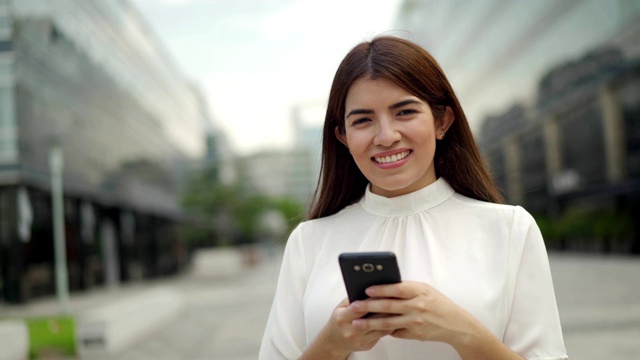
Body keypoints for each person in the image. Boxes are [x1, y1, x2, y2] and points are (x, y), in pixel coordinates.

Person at [259, 35, 568, 360]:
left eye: (404, 112)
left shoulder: (510, 230)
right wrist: (333, 343)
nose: (386, 136)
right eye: (363, 120)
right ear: (344, 137)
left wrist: (460, 330)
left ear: (442, 121)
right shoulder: (309, 242)